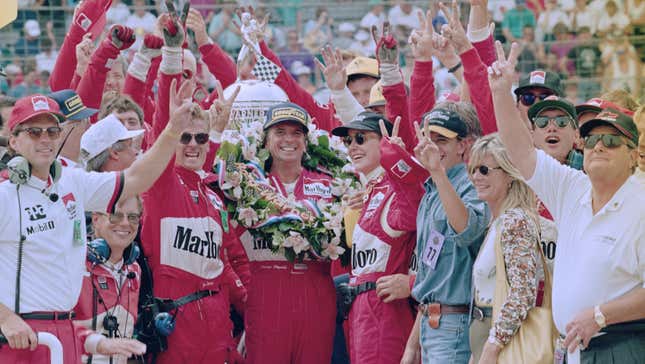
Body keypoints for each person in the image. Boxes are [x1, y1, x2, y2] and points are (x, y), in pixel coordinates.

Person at [0, 89, 193, 363]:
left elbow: (137, 179)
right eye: (34, 132)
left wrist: (173, 131)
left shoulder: (73, 181)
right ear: (14, 142)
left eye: (52, 131)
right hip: (20, 337)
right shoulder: (4, 195)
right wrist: (5, 318)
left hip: (66, 331)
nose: (45, 139)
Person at [490, 41, 645, 363]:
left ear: (633, 155)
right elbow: (519, 149)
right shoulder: (571, 188)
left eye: (612, 140)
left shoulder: (641, 204)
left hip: (620, 346)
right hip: (573, 349)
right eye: (592, 139)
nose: (599, 146)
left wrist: (601, 315)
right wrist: (502, 93)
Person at [242, 102, 336, 364]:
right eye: (280, 132)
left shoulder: (329, 184)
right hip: (266, 291)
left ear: (306, 141)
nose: (289, 140)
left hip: (316, 287)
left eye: (297, 133)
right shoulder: (249, 184)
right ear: (266, 139)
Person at [331, 113, 426, 364]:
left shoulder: (393, 188)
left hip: (384, 311)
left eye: (360, 138)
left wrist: (396, 158)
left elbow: (415, 208)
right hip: (361, 311)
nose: (352, 147)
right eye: (348, 141)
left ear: (383, 142)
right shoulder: (369, 192)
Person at [402, 107, 490, 364]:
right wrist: (412, 344)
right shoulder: (430, 190)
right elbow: (430, 274)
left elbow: (466, 231)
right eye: (429, 139)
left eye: (442, 140)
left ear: (463, 145)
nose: (433, 147)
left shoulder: (471, 182)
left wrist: (437, 173)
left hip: (455, 321)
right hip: (431, 319)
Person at [467, 134, 544, 363]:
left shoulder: (515, 221)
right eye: (472, 169)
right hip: (487, 334)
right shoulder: (498, 222)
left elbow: (523, 292)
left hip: (504, 342)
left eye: (484, 170)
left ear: (509, 173)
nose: (475, 177)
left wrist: (493, 345)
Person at [74, 196, 143, 364]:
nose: (125, 223)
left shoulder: (135, 270)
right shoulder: (72, 263)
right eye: (115, 215)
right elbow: (52, 327)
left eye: (133, 217)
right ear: (96, 220)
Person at [49, 89, 98, 168]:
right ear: (59, 131)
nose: (89, 126)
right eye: (81, 122)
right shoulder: (53, 171)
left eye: (87, 119)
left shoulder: (85, 159)